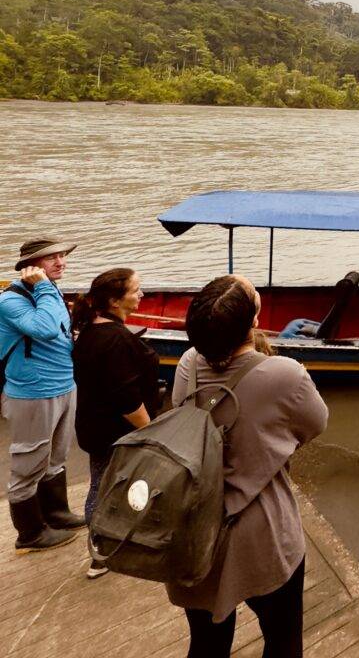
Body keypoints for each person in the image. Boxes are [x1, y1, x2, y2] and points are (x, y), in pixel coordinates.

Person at [167, 274, 328, 658]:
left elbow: (180, 416)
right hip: (261, 533)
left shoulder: (188, 363)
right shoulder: (285, 374)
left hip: (193, 529)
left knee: (207, 643)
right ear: (252, 325)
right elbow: (315, 424)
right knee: (283, 639)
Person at [72, 267, 161, 578]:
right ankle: (100, 551)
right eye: (136, 290)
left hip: (96, 428)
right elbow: (127, 400)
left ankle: (108, 544)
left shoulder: (91, 331)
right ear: (114, 301)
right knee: (106, 487)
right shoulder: (113, 340)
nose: (141, 294)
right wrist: (151, 430)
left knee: (105, 483)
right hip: (117, 433)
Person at [0, 237, 86, 552]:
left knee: (57, 455)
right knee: (29, 458)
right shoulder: (11, 300)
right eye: (52, 258)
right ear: (30, 267)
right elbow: (46, 328)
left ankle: (57, 513)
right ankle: (30, 533)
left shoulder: (47, 291)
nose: (61, 262)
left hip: (64, 384)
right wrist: (45, 287)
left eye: (63, 255)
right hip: (32, 391)